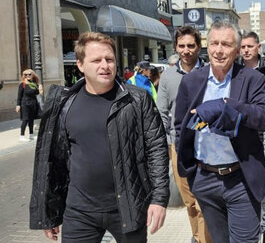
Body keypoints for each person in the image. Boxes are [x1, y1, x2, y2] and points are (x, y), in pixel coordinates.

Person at [29, 32, 169, 242]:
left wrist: (159, 199)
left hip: (128, 207)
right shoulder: (64, 104)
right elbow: (51, 161)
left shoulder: (137, 100)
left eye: (109, 59)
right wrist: (49, 212)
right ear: (80, 65)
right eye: (96, 60)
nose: (105, 65)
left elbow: (156, 149)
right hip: (79, 212)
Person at [175, 20, 265, 243]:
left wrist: (228, 106)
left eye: (226, 45)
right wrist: (205, 123)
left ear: (237, 50)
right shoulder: (191, 81)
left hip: (241, 178)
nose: (219, 50)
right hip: (205, 178)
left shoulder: (252, 79)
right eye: (214, 43)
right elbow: (182, 125)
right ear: (207, 46)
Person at [157, 26, 212, 243]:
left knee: (205, 200)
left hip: (207, 146)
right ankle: (199, 238)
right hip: (178, 147)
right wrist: (167, 144)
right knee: (189, 201)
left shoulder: (210, 72)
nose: (186, 50)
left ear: (198, 46)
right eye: (182, 46)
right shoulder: (168, 76)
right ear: (176, 47)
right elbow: (162, 113)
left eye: (191, 45)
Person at [240, 31, 265, 243]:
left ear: (258, 48)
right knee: (245, 181)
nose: (246, 50)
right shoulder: (234, 71)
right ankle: (251, 224)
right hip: (242, 133)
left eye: (249, 46)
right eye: (243, 46)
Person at [16, 69, 42, 141]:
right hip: (25, 104)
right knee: (25, 119)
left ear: (32, 75)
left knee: (31, 120)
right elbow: (19, 95)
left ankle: (31, 135)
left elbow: (37, 93)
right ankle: (22, 136)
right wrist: (18, 105)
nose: (27, 76)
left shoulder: (35, 84)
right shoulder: (23, 84)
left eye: (29, 74)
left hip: (33, 103)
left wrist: (40, 88)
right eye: (25, 74)